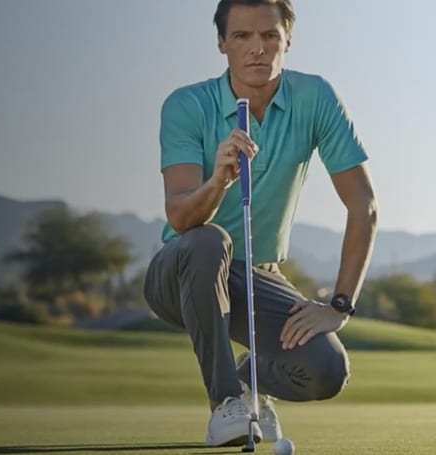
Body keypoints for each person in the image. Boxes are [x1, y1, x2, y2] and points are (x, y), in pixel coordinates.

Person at [141, 0, 378, 447]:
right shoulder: (187, 105)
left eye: (270, 36)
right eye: (242, 36)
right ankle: (226, 404)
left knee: (326, 371)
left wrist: (339, 305)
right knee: (209, 240)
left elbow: (363, 205)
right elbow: (181, 217)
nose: (258, 48)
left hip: (255, 276)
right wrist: (218, 182)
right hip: (180, 272)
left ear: (288, 40)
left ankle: (249, 380)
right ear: (221, 43)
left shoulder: (314, 97)